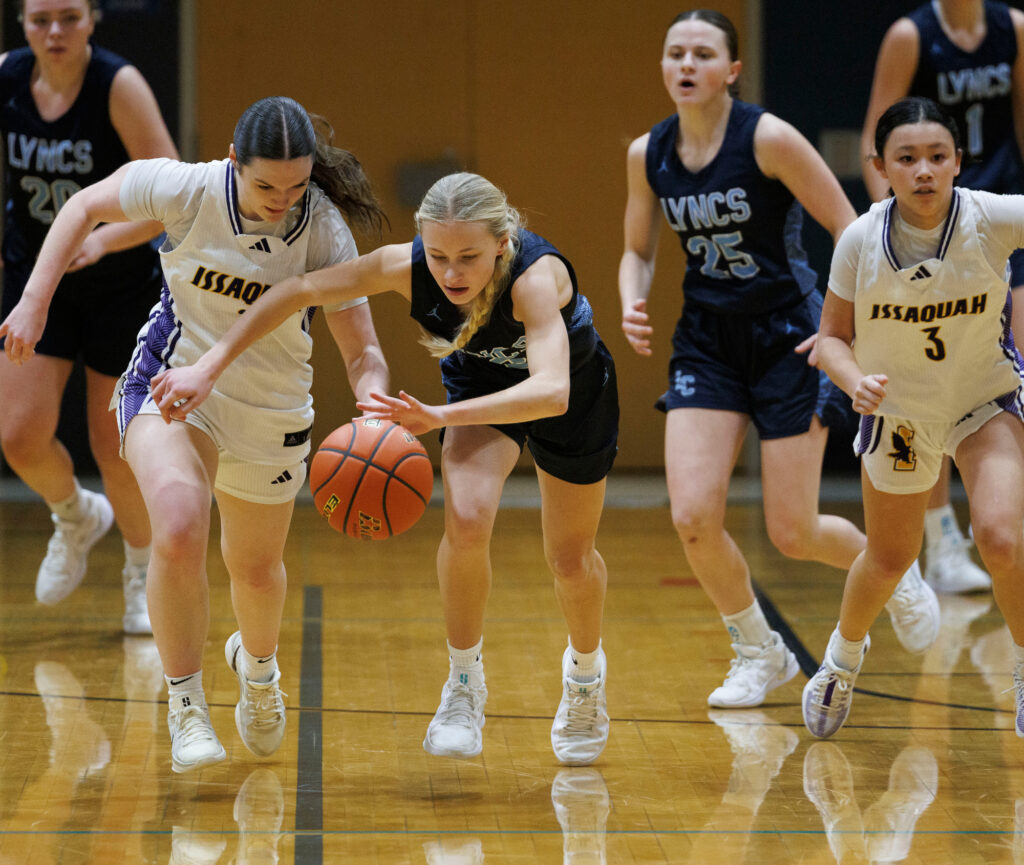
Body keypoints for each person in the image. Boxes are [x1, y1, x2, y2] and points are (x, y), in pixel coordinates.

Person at [140, 171, 620, 767]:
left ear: (501, 242)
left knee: (570, 561)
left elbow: (551, 391)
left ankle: (583, 679)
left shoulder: (534, 278)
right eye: (439, 255)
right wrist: (210, 364)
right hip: (481, 390)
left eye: (469, 256)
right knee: (467, 521)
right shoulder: (405, 266)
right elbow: (298, 291)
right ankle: (464, 687)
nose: (452, 274)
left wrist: (439, 415)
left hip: (573, 400)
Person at [0, 95, 390, 772]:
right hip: (172, 386)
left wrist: (374, 402)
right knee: (179, 523)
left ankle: (260, 671)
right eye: (267, 184)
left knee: (256, 569)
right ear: (235, 162)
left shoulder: (322, 228)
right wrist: (34, 300)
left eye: (297, 185)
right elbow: (83, 206)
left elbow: (361, 352)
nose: (282, 199)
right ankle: (186, 705)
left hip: (270, 410)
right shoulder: (189, 188)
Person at [618, 9, 940, 710]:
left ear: (731, 70)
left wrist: (843, 322)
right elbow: (637, 248)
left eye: (703, 53)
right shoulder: (650, 153)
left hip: (788, 336)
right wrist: (630, 297)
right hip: (706, 339)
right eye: (676, 52)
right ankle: (758, 651)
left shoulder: (766, 137)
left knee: (791, 532)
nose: (686, 64)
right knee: (693, 515)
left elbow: (848, 224)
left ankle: (896, 570)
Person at [802, 96, 1024, 739]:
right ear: (880, 166)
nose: (923, 169)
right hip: (899, 413)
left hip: (983, 400)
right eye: (907, 158)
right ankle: (842, 660)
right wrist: (853, 381)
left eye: (936, 156)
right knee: (890, 557)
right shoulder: (859, 240)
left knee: (1002, 538)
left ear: (958, 161)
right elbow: (830, 340)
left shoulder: (991, 216)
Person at [0, 0, 178, 632]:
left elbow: (169, 199)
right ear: (21, 21)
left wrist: (102, 239)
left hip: (121, 285)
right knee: (18, 434)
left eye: (68, 18)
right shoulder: (8, 77)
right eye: (40, 18)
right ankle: (76, 515)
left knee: (114, 444)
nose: (54, 32)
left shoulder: (117, 85)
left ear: (93, 19)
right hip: (38, 280)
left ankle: (139, 572)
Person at [859, 0, 1024, 594]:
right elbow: (875, 135)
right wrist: (894, 232)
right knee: (924, 384)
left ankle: (1002, 522)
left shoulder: (1014, 28)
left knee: (1002, 378)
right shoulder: (911, 35)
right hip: (928, 227)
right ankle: (942, 539)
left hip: (995, 219)